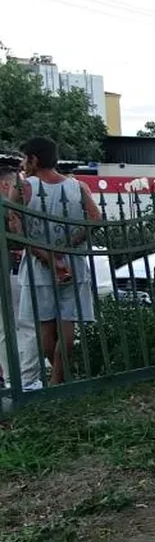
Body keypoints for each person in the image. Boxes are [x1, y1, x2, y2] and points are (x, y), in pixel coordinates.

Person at [11, 137, 104, 386]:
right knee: (67, 323)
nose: (23, 163)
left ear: (34, 159)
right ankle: (60, 379)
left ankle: (57, 381)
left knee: (44, 328)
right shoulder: (78, 187)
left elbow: (15, 228)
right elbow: (95, 218)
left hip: (38, 266)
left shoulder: (23, 188)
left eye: (25, 158)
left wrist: (47, 255)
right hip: (72, 263)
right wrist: (67, 246)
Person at [0, 167, 43, 391]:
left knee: (4, 327)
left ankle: (10, 377)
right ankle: (27, 377)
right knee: (26, 322)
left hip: (9, 269)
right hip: (13, 270)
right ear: (6, 185)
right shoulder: (10, 205)